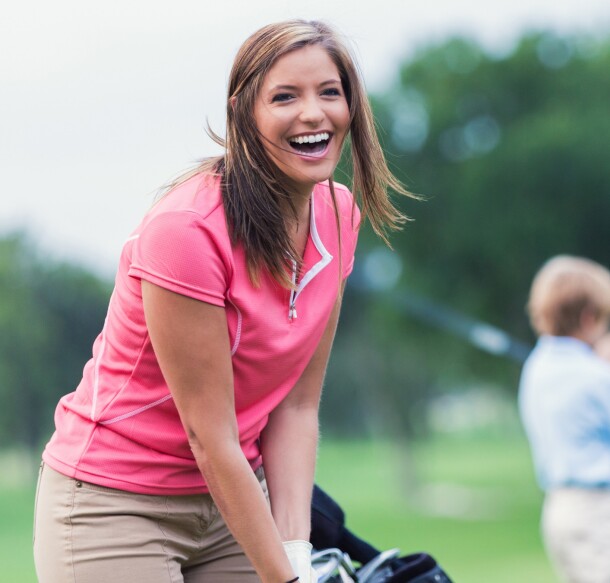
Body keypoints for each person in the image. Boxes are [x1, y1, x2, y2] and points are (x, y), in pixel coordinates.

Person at [33, 19, 411, 583]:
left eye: (330, 92)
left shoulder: (338, 215)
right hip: (114, 504)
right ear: (243, 112)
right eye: (285, 96)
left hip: (235, 502)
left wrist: (296, 555)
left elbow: (296, 407)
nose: (313, 113)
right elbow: (209, 437)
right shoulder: (186, 231)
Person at [519, 255, 610, 583]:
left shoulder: (536, 367)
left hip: (559, 509)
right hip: (598, 509)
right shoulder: (594, 375)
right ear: (589, 318)